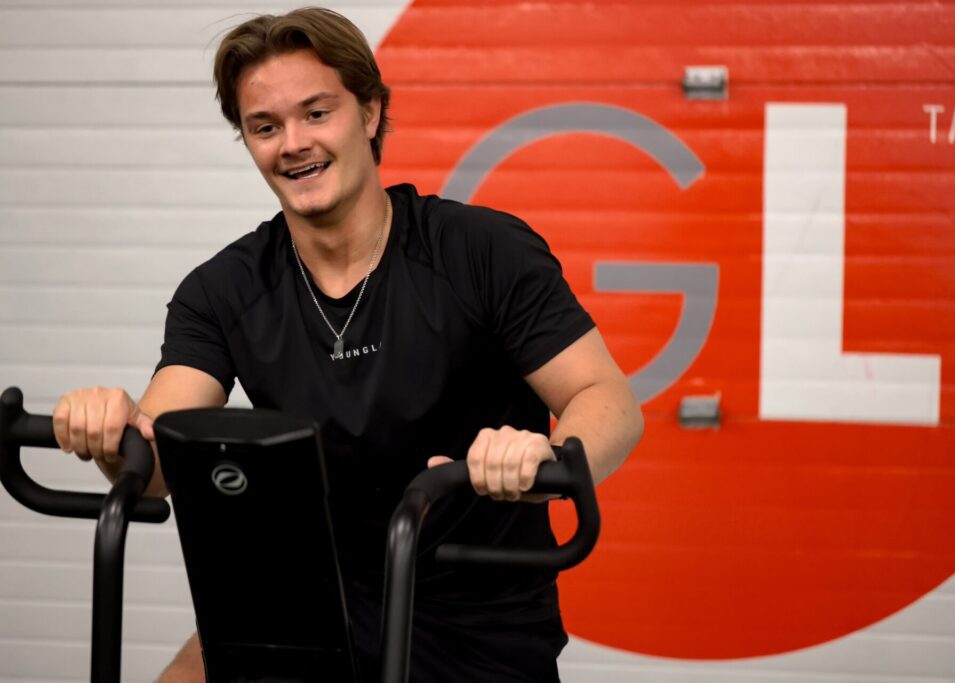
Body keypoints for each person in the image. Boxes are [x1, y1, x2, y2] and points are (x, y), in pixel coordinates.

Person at [51, 7, 643, 682]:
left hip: (474, 617)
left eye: (316, 113)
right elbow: (158, 460)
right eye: (265, 126)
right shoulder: (223, 290)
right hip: (309, 602)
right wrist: (110, 432)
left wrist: (544, 461)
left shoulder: (481, 252)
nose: (293, 143)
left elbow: (610, 401)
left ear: (368, 112)